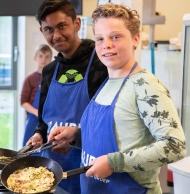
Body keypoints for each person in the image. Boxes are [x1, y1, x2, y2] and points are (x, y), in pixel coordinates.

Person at [48, 3, 186, 194]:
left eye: (115, 37)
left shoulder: (145, 86)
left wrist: (115, 163)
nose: (107, 45)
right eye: (100, 38)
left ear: (135, 39)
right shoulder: (108, 82)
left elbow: (175, 146)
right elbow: (122, 133)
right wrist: (77, 135)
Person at [26, 0, 108, 193]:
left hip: (88, 168)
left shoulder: (101, 64)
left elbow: (108, 124)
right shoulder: (49, 71)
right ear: (42, 31)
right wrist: (39, 134)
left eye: (62, 26)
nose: (56, 35)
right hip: (50, 172)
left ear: (77, 24)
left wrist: (76, 138)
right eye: (49, 29)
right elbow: (43, 121)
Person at [21, 44, 52, 147]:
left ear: (51, 59)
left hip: (49, 119)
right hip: (33, 120)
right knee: (29, 149)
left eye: (47, 56)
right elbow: (23, 102)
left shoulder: (53, 79)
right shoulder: (30, 79)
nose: (44, 59)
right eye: (41, 56)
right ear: (35, 58)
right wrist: (37, 113)